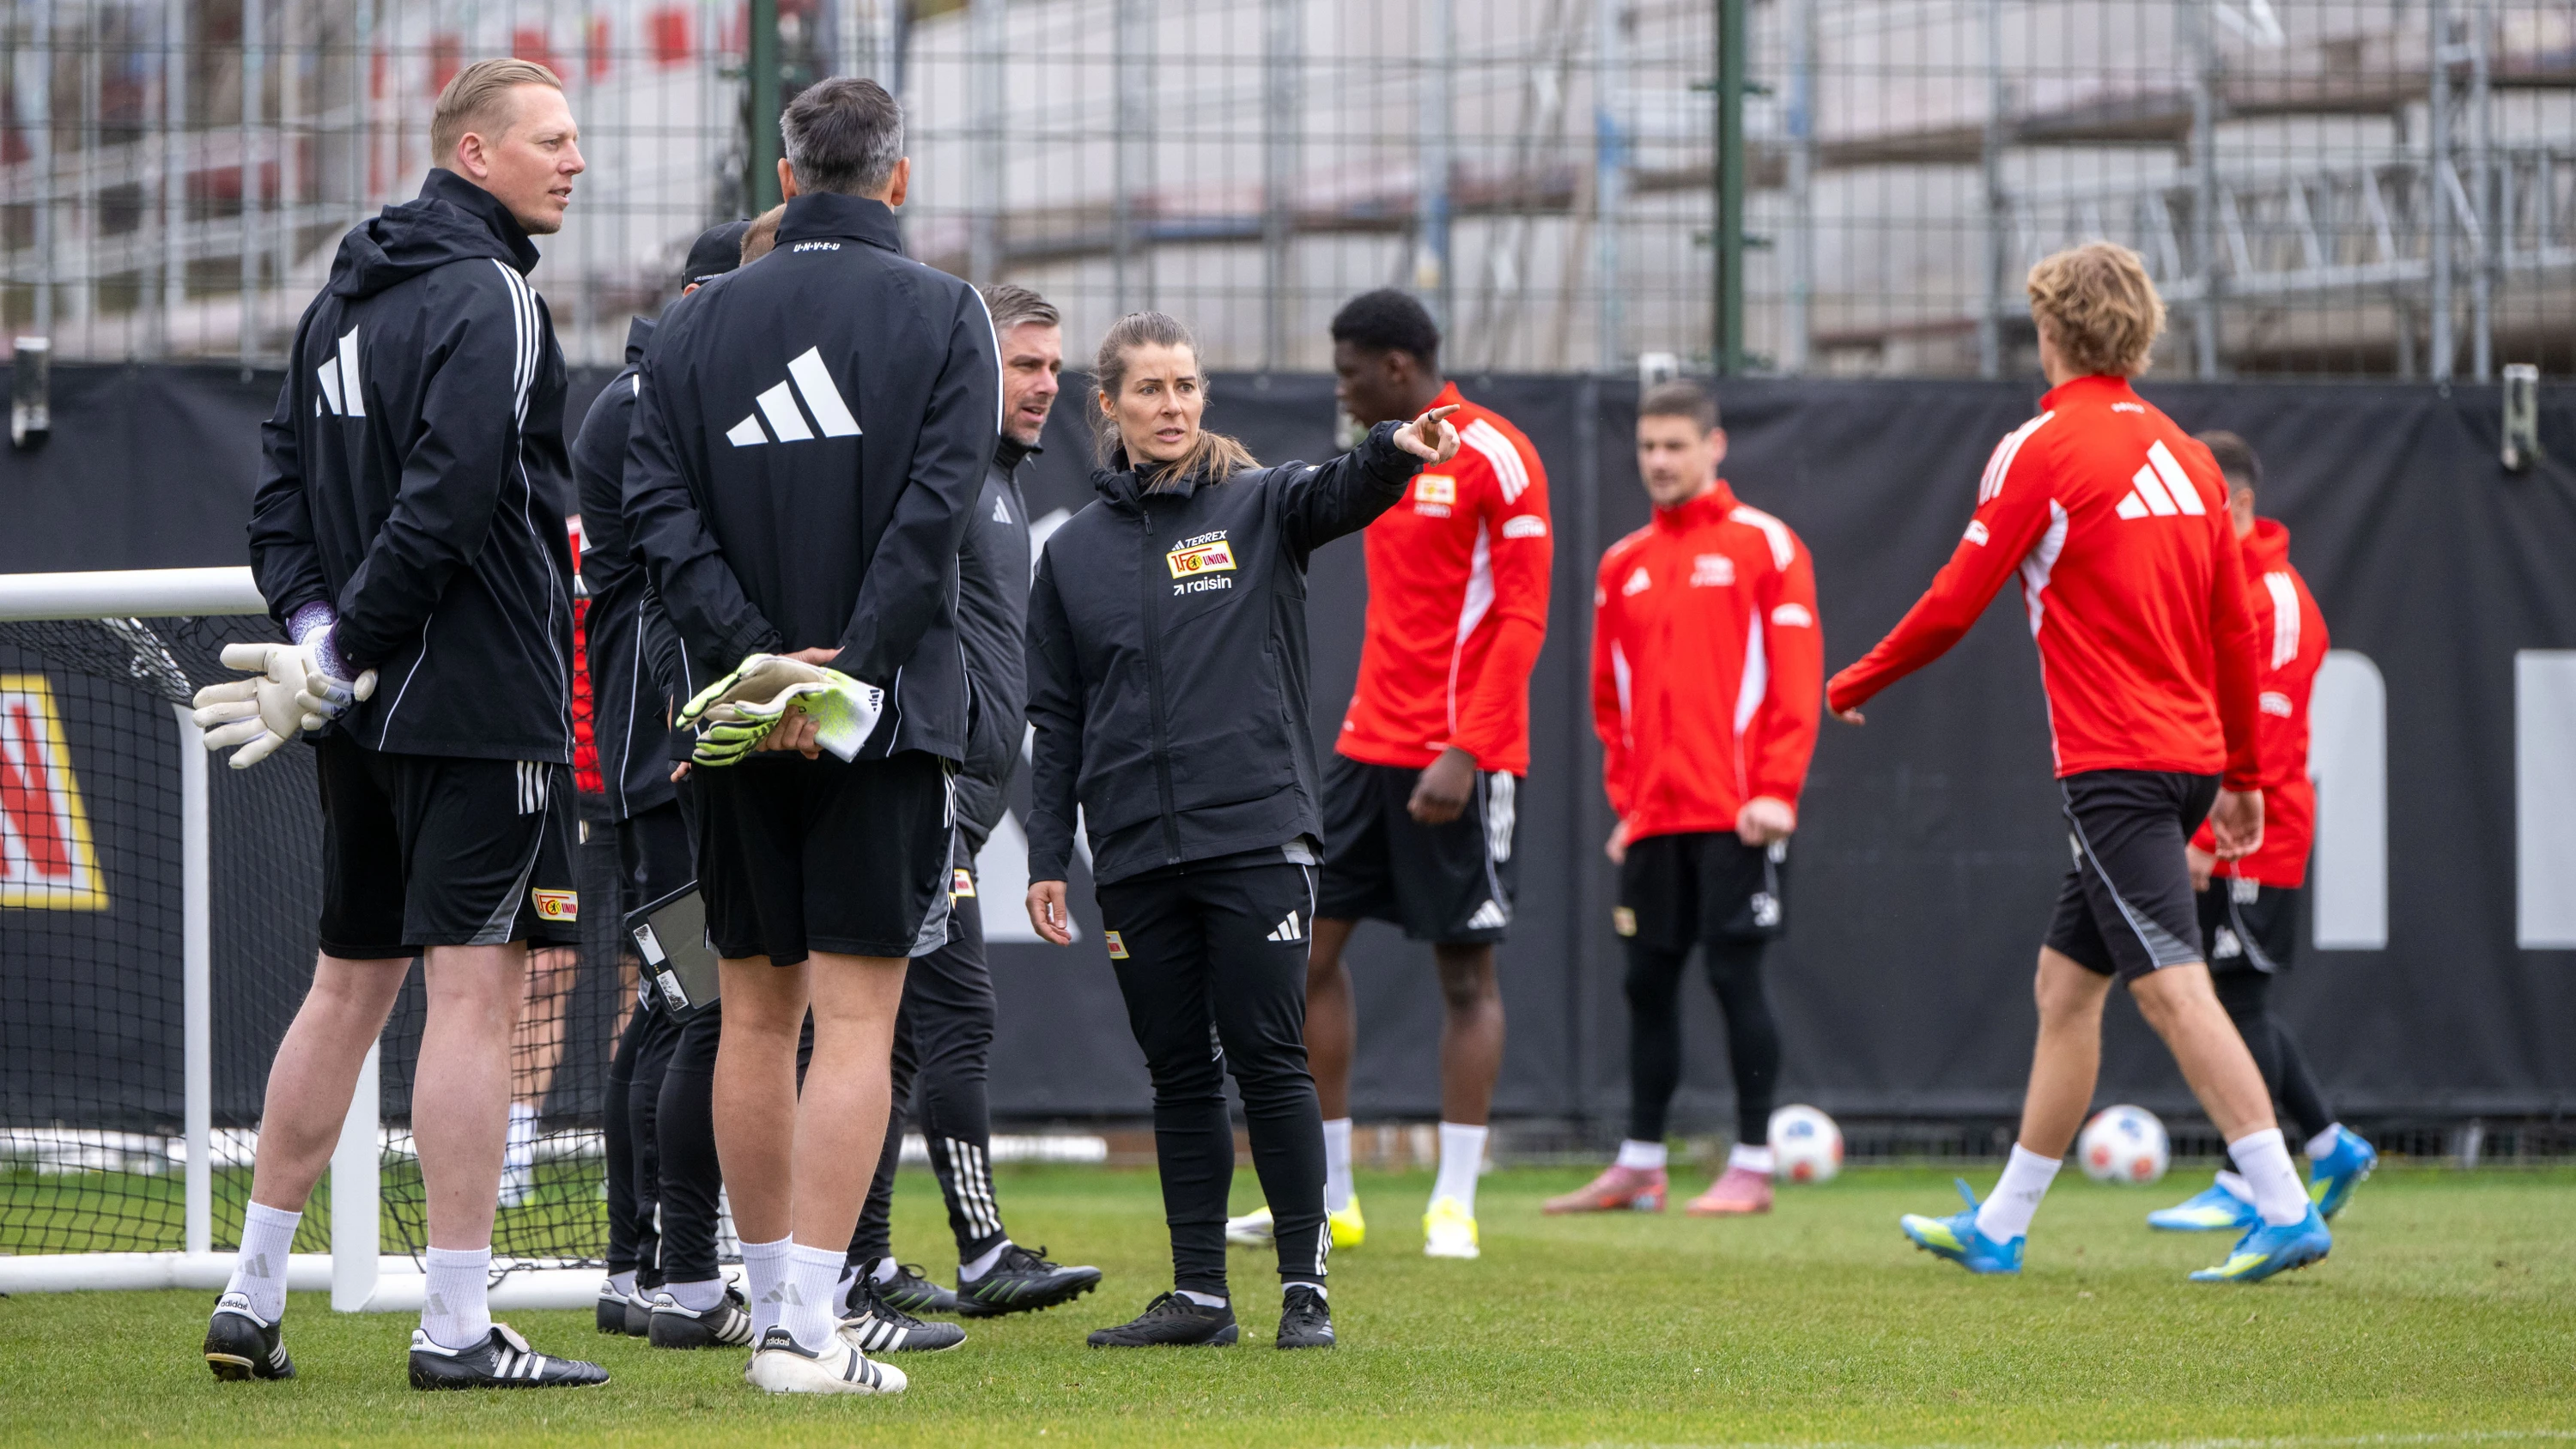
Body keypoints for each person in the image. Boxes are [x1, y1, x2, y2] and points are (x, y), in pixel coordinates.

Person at [201, 58, 607, 1388]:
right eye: (551, 140)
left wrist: (323, 648)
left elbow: (280, 507)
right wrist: (351, 646)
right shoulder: (488, 292)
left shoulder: (340, 299)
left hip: (363, 715)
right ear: (474, 154)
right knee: (473, 1000)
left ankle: (250, 1301)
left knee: (346, 985)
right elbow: (449, 498)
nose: (576, 160)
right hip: (478, 702)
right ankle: (453, 1325)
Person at [1826, 241, 2334, 1286]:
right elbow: (2235, 628)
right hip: (2186, 760)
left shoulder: (2040, 448)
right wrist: (2240, 773)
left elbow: (1955, 601)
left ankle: (2283, 1202)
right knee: (2065, 987)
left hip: (2119, 769)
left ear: (2049, 331)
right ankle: (2004, 1224)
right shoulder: (2192, 457)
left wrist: (1856, 679)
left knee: (2174, 991)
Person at [623, 76, 998, 1395]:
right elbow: (936, 515)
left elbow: (657, 519)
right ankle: (801, 1330)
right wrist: (842, 679)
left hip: (736, 718)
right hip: (878, 726)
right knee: (852, 1023)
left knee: (749, 1015)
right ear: (897, 178)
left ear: (787, 179)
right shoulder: (951, 312)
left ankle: (776, 1302)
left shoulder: (688, 328)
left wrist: (756, 667)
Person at [1024, 311, 1460, 1350]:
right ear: (1111, 407)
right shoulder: (1073, 555)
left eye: (1186, 386)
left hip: (1257, 836)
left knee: (1270, 1055)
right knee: (1179, 1070)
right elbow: (1059, 720)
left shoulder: (1261, 502)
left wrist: (1395, 450)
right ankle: (1200, 1296)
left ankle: (1304, 1290)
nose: (1172, 406)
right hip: (1132, 852)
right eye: (1150, 390)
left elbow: (1339, 489)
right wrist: (1047, 857)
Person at [1224, 288, 1551, 1264]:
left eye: (1349, 370)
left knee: (1465, 973)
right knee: (1308, 959)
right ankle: (1332, 1195)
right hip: (1366, 750)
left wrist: (1468, 746)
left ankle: (1455, 1203)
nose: (1340, 387)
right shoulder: (1382, 459)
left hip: (1460, 755)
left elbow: (1522, 617)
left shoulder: (1497, 453)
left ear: (1398, 369)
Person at [841, 283, 1104, 1331]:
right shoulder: (944, 476)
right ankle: (948, 1251)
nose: (1045, 384)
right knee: (941, 1017)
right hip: (925, 793)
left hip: (964, 800)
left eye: (1053, 366)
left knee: (899, 1032)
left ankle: (860, 1259)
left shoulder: (996, 483)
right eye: (1023, 364)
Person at [1546, 380, 1820, 1219]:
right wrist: (1629, 803)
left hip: (1739, 813)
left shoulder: (1767, 546)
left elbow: (1796, 683)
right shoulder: (1621, 562)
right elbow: (1609, 696)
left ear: (1714, 446)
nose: (1659, 461)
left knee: (1738, 979)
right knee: (1646, 985)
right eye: (1648, 447)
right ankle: (1640, 1163)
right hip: (1655, 819)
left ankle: (1751, 1162)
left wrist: (1774, 790)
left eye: (1675, 445)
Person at [573, 220, 749, 1339]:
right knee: (704, 1008)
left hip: (656, 747)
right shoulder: (655, 405)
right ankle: (684, 1276)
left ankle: (638, 1267)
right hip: (666, 752)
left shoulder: (646, 396)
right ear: (702, 296)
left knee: (673, 1010)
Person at [2147, 431, 2377, 1234]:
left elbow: (2265, 740)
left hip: (2256, 837)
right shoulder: (2214, 584)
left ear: (2238, 503)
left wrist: (2208, 840)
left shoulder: (2274, 598)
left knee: (2236, 1000)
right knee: (2232, 996)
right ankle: (2325, 1144)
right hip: (2222, 830)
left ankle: (2249, 1176)